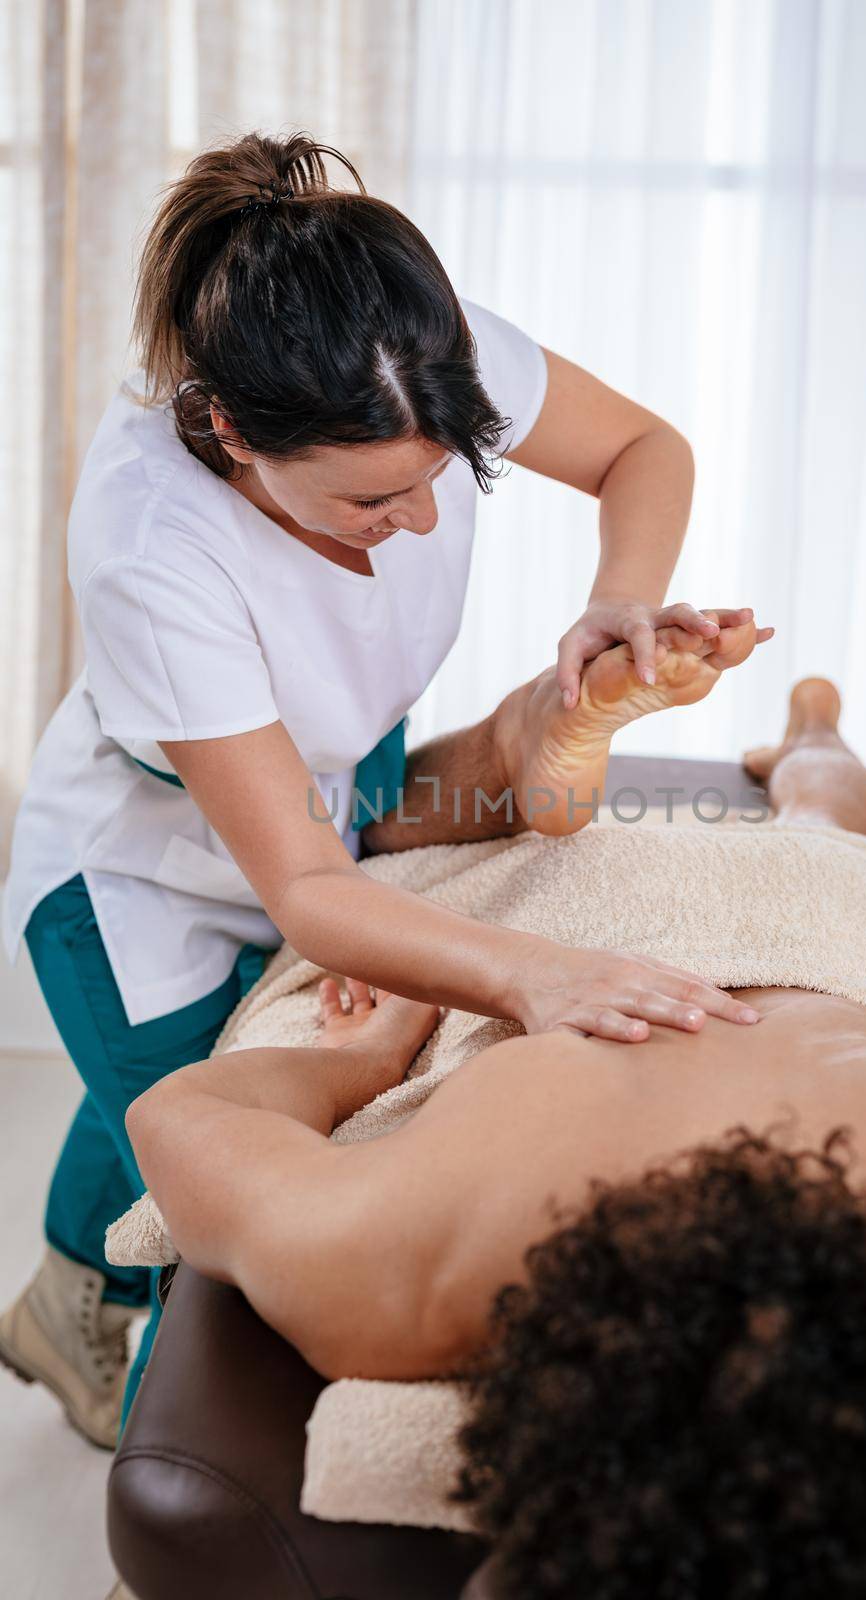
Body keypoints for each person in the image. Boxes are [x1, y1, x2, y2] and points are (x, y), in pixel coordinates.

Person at [0, 128, 771, 1449]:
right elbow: (302, 889)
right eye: (371, 501)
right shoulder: (149, 541)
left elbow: (643, 445)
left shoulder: (416, 350)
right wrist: (532, 973)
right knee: (203, 1146)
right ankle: (90, 1320)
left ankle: (57, 1280)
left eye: (443, 478)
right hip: (146, 877)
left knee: (143, 1086)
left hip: (330, 764)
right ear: (234, 433)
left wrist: (617, 602)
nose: (420, 523)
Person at [127, 621, 866, 1598]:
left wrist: (362, 1061)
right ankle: (804, 730)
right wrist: (355, 1065)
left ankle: (807, 729)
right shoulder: (400, 1277)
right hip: (672, 933)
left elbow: (180, 1116)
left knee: (829, 835)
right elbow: (181, 1117)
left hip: (825, 930)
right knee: (829, 834)